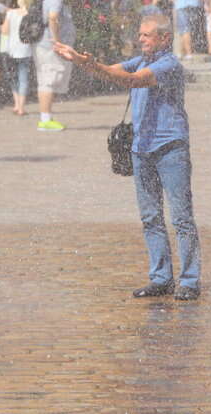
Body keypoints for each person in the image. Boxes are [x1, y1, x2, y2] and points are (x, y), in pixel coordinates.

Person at [53, 15, 202, 301]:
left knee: (181, 218)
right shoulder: (141, 60)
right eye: (140, 34)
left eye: (147, 35)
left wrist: (91, 64)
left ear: (164, 38)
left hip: (171, 148)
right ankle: (160, 278)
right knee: (150, 217)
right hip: (141, 149)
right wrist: (78, 60)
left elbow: (133, 81)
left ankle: (190, 280)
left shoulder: (168, 64)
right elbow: (110, 71)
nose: (141, 39)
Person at [33, 0, 75, 131]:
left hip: (47, 45)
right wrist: (57, 43)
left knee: (49, 78)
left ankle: (47, 117)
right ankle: (45, 120)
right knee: (48, 80)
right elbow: (52, 17)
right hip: (49, 47)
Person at [1, 0, 32, 115]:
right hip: (25, 50)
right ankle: (22, 108)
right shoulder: (30, 14)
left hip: (11, 51)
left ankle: (16, 104)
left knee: (13, 78)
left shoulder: (11, 13)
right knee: (23, 79)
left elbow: (4, 31)